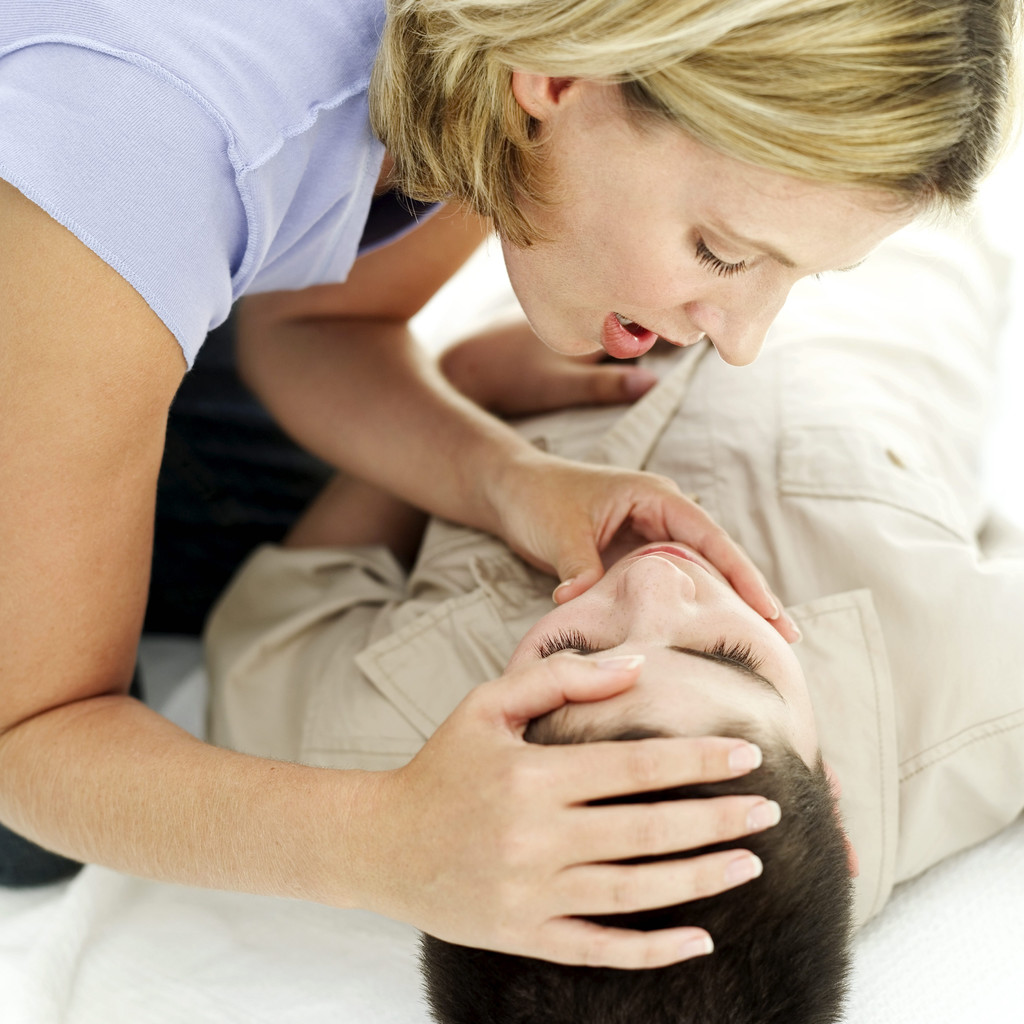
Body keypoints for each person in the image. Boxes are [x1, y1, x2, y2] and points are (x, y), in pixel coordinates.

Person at [0, 0, 1017, 968]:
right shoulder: (147, 144)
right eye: (720, 250)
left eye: (792, 276)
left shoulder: (502, 76)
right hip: (78, 199)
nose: (740, 342)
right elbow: (25, 736)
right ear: (564, 77)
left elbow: (318, 326)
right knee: (43, 836)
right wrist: (385, 841)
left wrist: (505, 476)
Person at [204, 211, 1024, 1020]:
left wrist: (457, 393)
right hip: (894, 242)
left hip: (560, 264)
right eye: (731, 657)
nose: (657, 583)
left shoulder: (363, 744)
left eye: (572, 654)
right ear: (834, 803)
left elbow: (293, 604)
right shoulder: (979, 696)